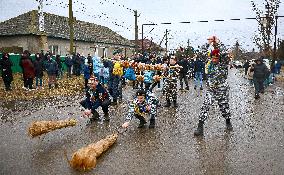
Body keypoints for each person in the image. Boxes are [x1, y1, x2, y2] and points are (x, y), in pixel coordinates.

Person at [194, 47, 232, 136]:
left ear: (219, 58)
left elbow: (225, 54)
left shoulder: (223, 64)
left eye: (216, 58)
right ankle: (200, 126)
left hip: (222, 90)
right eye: (213, 58)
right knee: (205, 106)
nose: (214, 60)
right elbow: (200, 53)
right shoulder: (208, 64)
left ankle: (228, 122)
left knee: (224, 107)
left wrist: (218, 43)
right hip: (211, 90)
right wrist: (208, 43)